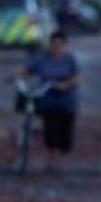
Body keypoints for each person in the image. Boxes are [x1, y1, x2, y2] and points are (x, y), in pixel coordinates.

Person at [18, 31, 82, 171]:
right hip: (48, 101)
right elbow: (27, 69)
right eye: (54, 45)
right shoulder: (42, 59)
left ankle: (61, 154)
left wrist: (65, 84)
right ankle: (52, 159)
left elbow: (77, 78)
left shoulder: (70, 60)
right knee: (50, 130)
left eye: (60, 45)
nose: (56, 48)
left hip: (67, 102)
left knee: (65, 135)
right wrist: (18, 76)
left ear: (65, 46)